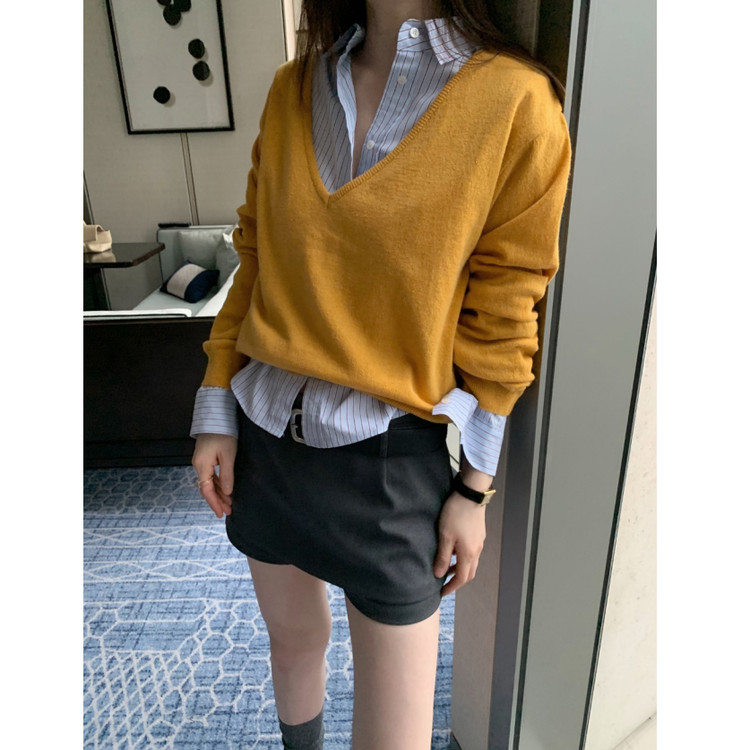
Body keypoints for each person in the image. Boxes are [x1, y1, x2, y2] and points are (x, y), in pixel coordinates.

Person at [190, 1, 572, 748]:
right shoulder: (293, 88)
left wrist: (473, 490)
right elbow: (256, 261)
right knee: (292, 644)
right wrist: (215, 404)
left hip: (390, 464)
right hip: (264, 443)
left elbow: (505, 312)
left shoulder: (517, 103)